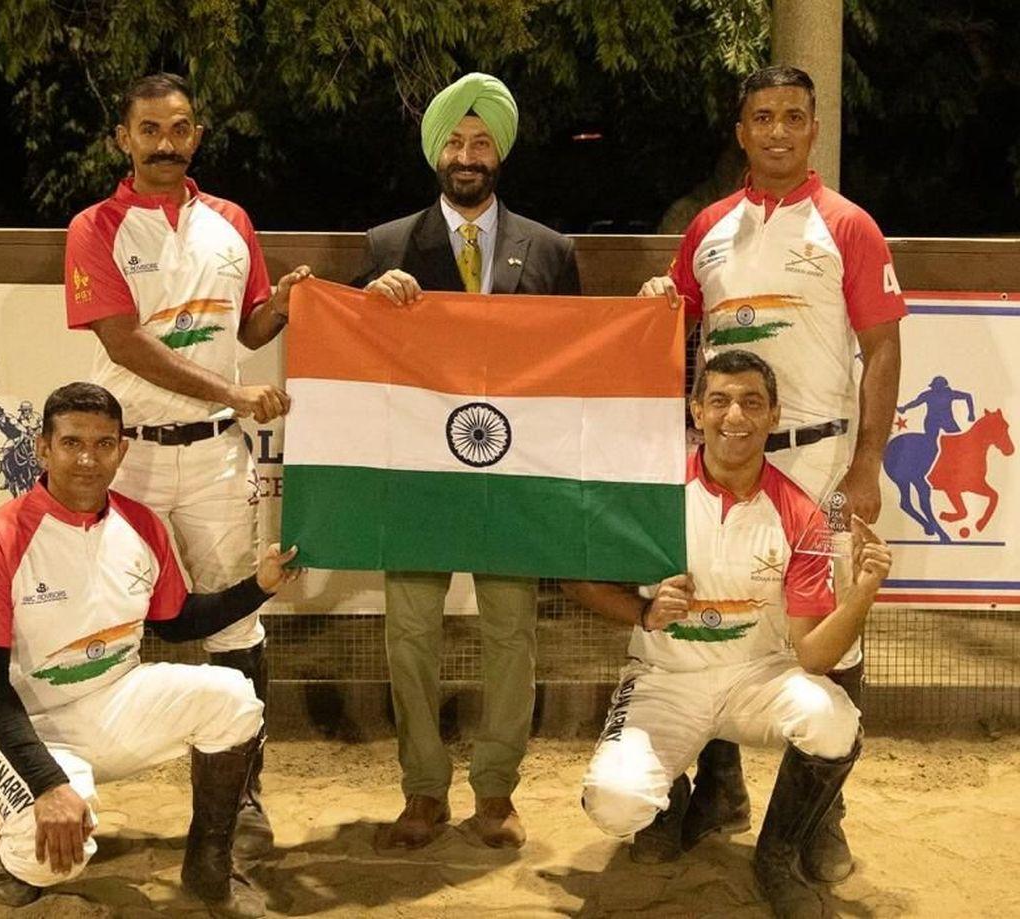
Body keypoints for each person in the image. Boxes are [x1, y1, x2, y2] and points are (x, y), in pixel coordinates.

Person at [638, 65, 906, 879]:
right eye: (764, 117)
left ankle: (823, 816)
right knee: (721, 611)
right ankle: (717, 788)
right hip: (725, 453)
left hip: (820, 457)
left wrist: (867, 460)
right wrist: (659, 292)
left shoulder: (849, 226)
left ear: (813, 128)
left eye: (795, 116)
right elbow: (673, 314)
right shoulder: (709, 227)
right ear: (742, 131)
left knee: (831, 629)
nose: (779, 130)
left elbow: (885, 345)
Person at [63, 72, 310, 857]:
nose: (165, 142)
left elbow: (250, 323)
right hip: (124, 456)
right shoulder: (93, 227)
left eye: (179, 128)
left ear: (197, 135)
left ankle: (242, 795)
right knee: (91, 614)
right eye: (149, 129)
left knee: (236, 619)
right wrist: (235, 392)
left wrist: (292, 302)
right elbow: (123, 342)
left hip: (213, 457)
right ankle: (69, 779)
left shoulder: (232, 221)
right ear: (123, 140)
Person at [0, 383, 298, 918]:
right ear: (43, 448)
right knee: (54, 860)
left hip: (113, 701)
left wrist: (260, 587)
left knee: (233, 696)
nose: (88, 458)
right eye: (72, 443)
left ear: (122, 450)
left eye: (104, 444)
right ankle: (12, 843)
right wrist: (48, 783)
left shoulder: (142, 524)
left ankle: (208, 864)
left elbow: (176, 623)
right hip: (22, 725)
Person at [565, 351, 891, 919]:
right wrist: (642, 612)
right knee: (614, 806)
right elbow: (575, 578)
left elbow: (813, 654)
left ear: (773, 416)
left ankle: (777, 855)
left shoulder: (801, 514)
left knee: (835, 722)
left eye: (751, 402)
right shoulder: (655, 489)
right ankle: (670, 802)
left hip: (755, 677)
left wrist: (861, 592)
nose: (734, 415)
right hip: (665, 679)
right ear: (696, 411)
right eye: (718, 401)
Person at [358, 72, 581, 850]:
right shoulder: (386, 247)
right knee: (409, 633)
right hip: (419, 479)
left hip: (511, 478)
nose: (466, 153)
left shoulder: (550, 252)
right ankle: (422, 790)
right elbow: (360, 367)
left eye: (481, 141)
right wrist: (365, 304)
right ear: (435, 151)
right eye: (454, 139)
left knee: (512, 633)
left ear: (501, 153)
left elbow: (579, 367)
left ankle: (495, 790)